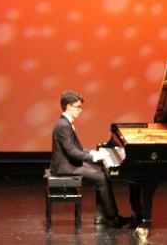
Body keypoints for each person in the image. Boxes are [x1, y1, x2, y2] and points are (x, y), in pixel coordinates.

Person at [50, 90, 130, 228]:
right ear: (69, 107)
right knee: (101, 177)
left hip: (70, 163)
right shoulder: (63, 125)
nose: (80, 110)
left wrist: (93, 153)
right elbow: (72, 152)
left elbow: (76, 149)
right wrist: (93, 156)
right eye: (78, 107)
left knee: (102, 171)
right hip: (66, 167)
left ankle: (103, 216)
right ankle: (112, 217)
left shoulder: (65, 123)